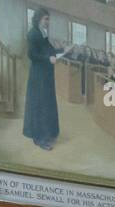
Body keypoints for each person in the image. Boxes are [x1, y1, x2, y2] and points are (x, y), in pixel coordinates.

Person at [23, 9, 68, 151]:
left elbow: (49, 49)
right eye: (45, 19)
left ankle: (48, 133)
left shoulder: (43, 33)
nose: (48, 22)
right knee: (40, 105)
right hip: (38, 76)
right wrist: (48, 58)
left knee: (47, 103)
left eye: (48, 19)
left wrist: (62, 51)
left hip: (45, 75)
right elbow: (32, 55)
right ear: (38, 19)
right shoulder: (33, 34)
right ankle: (39, 138)